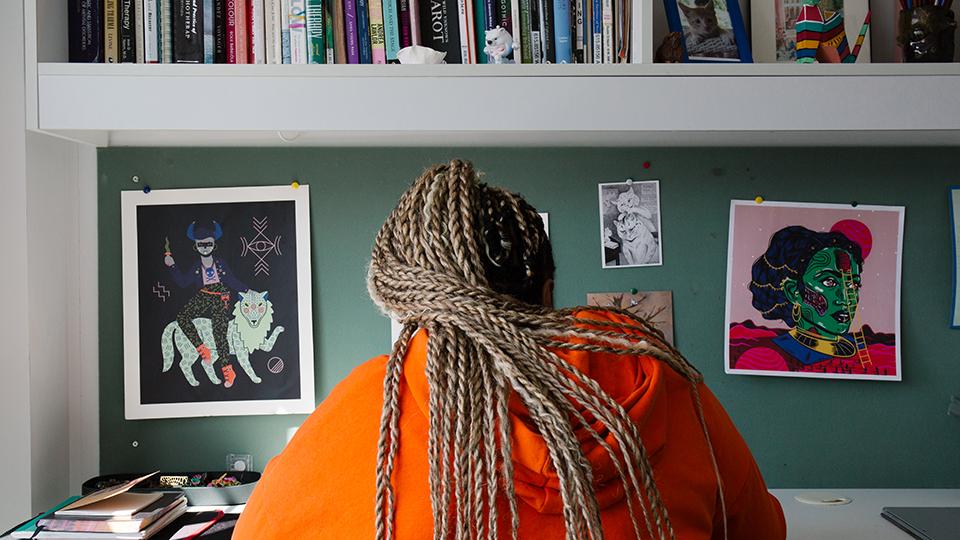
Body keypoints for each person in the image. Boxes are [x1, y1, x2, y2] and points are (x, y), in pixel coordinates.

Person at [234, 161, 785, 539]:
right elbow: (761, 529)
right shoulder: (668, 386)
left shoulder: (364, 409)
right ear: (547, 293)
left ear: (413, 305)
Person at [730, 224, 896, 376]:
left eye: (853, 285)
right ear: (793, 291)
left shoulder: (873, 353)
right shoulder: (772, 357)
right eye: (829, 282)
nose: (846, 298)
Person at [165, 220, 249, 388]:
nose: (205, 248)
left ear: (214, 245)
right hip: (204, 294)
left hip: (220, 296)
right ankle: (202, 348)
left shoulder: (220, 264)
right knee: (182, 317)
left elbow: (231, 279)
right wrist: (172, 266)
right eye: (201, 244)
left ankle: (228, 370)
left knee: (220, 333)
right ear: (196, 246)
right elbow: (183, 282)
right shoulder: (197, 266)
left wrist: (246, 290)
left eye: (208, 244)